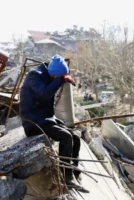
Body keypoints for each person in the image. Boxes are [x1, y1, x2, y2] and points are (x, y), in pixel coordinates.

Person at [20, 55, 87, 191]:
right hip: (33, 121)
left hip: (44, 117)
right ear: (54, 74)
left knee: (75, 136)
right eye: (57, 77)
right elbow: (44, 93)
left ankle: (73, 170)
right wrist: (61, 80)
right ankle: (66, 176)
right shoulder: (34, 76)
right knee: (65, 137)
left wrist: (60, 78)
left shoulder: (49, 74)